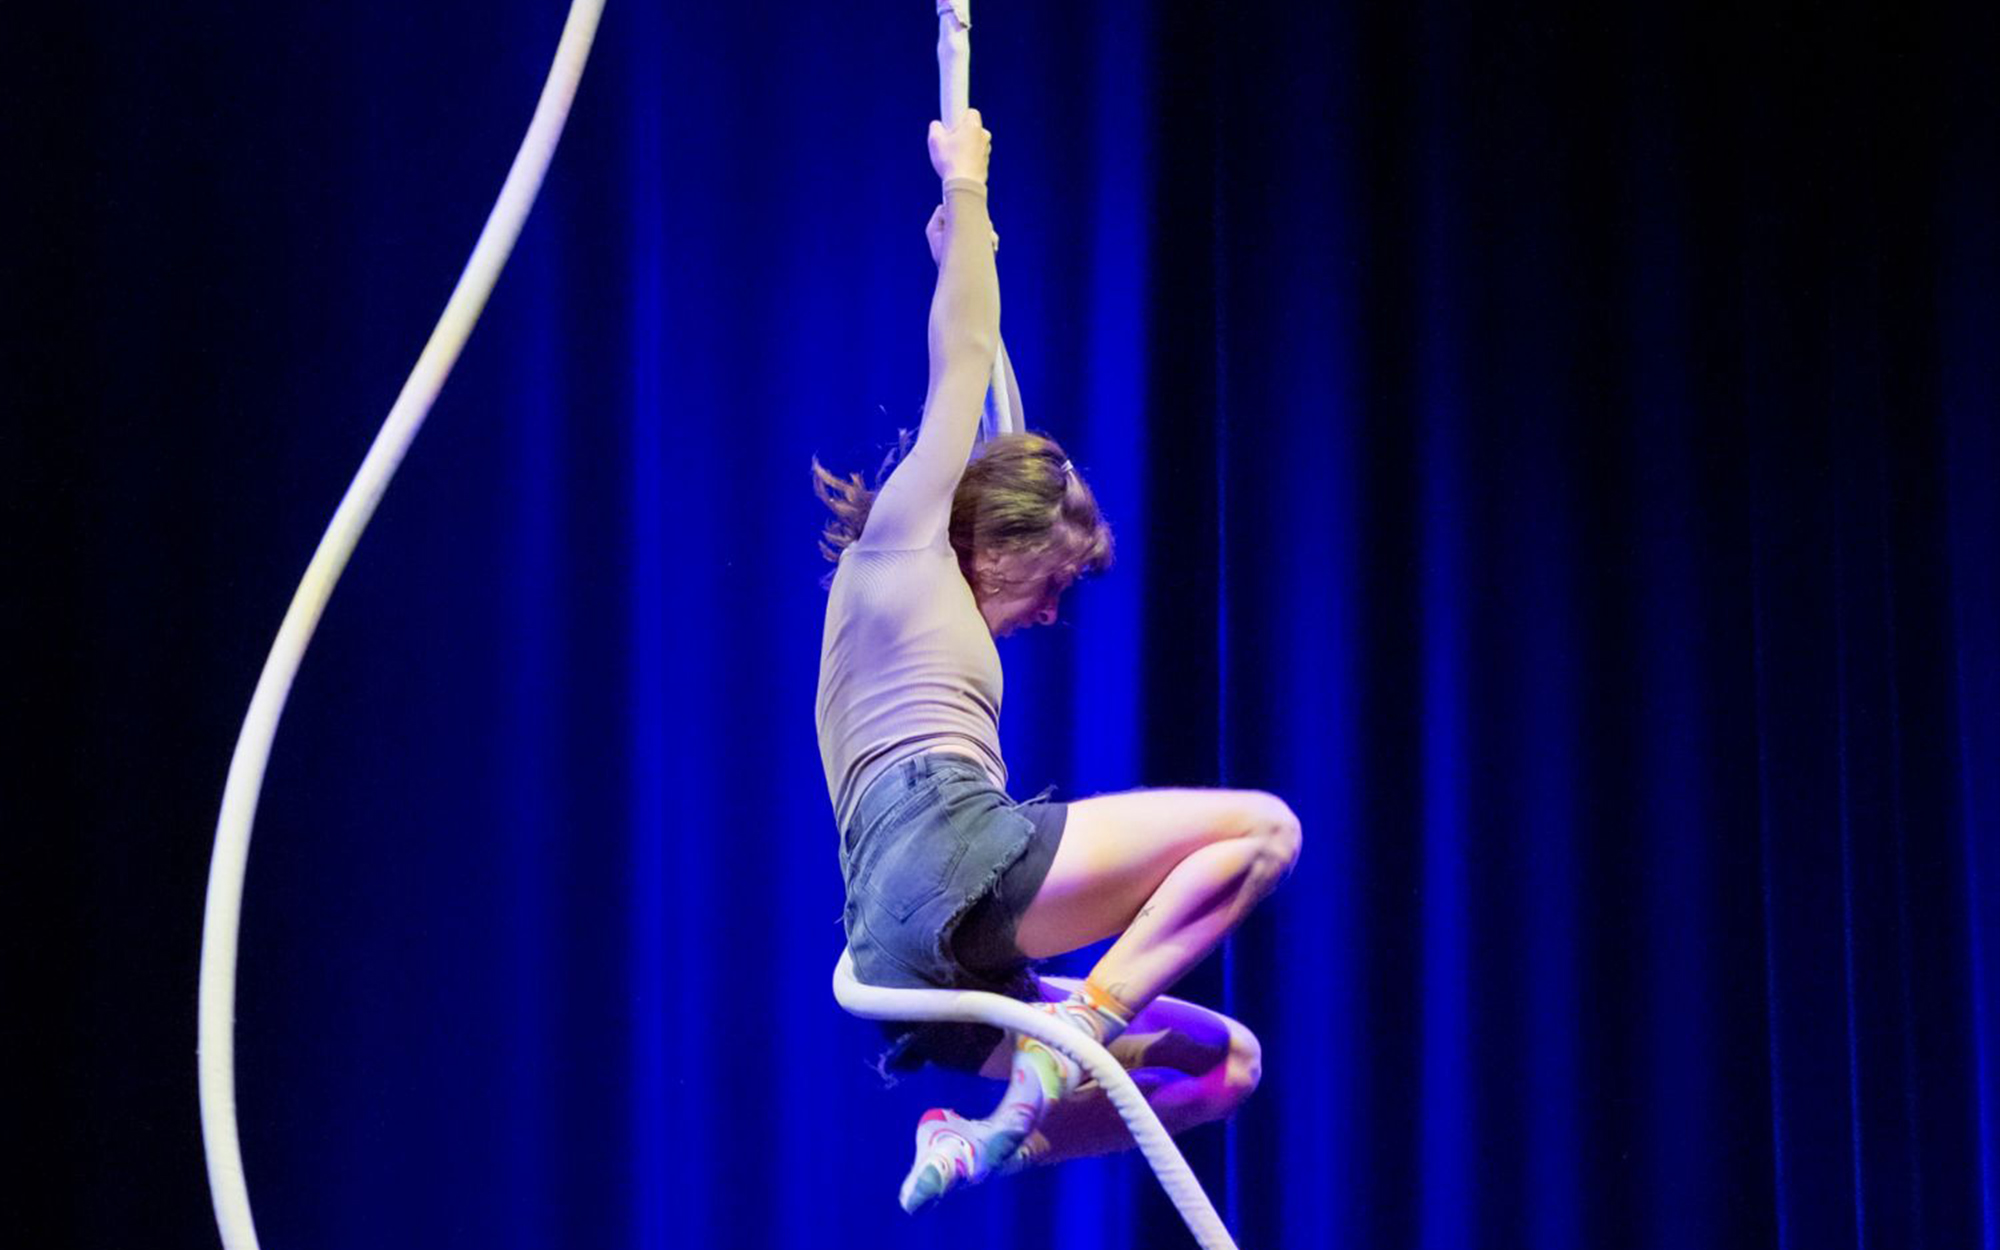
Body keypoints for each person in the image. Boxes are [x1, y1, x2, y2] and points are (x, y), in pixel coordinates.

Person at [811, 110, 1303, 1212]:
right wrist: (968, 188)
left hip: (905, 955)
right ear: (1008, 539)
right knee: (1265, 831)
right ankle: (1071, 1032)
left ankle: (986, 1137)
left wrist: (962, 254)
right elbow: (964, 363)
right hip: (942, 852)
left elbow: (997, 398)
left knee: (1224, 1066)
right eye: (1055, 583)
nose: (1046, 615)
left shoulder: (900, 604)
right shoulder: (904, 543)